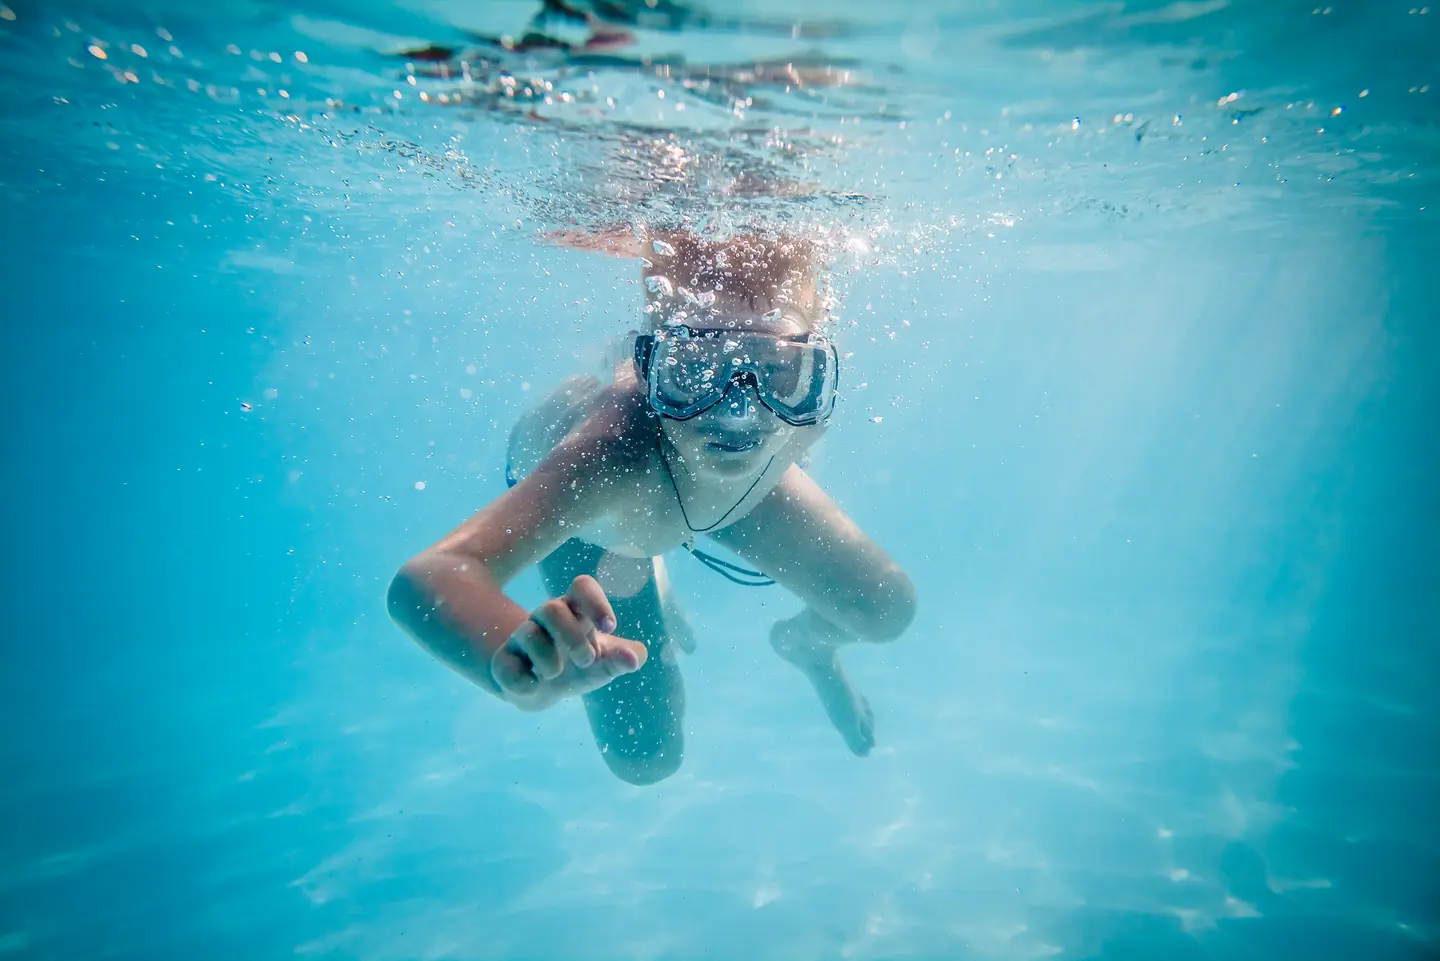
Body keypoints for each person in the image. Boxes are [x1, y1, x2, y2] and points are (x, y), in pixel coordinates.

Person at [387, 227, 916, 785]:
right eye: (695, 370)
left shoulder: (791, 424)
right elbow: (429, 575)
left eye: (780, 372)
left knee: (884, 607)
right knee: (645, 757)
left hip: (691, 496)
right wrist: (511, 655)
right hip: (600, 522)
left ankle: (805, 646)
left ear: (812, 369)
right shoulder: (609, 457)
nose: (737, 415)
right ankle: (640, 561)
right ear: (647, 372)